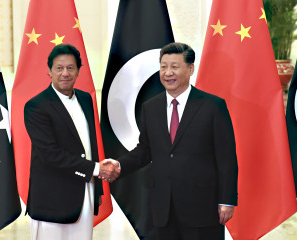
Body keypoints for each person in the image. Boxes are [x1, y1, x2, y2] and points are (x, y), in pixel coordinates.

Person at [104, 42, 238, 240]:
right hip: (163, 208)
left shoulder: (212, 106)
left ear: (190, 69)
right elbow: (145, 150)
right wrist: (120, 165)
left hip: (202, 207)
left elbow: (226, 158)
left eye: (174, 66)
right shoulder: (151, 107)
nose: (168, 72)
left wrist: (227, 200)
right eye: (163, 66)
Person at [24, 43, 118, 240]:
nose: (64, 73)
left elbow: (89, 145)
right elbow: (50, 154)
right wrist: (95, 169)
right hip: (52, 198)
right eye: (59, 68)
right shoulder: (36, 106)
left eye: (70, 68)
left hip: (85, 192)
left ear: (78, 71)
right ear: (49, 71)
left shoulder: (85, 99)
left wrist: (98, 181)